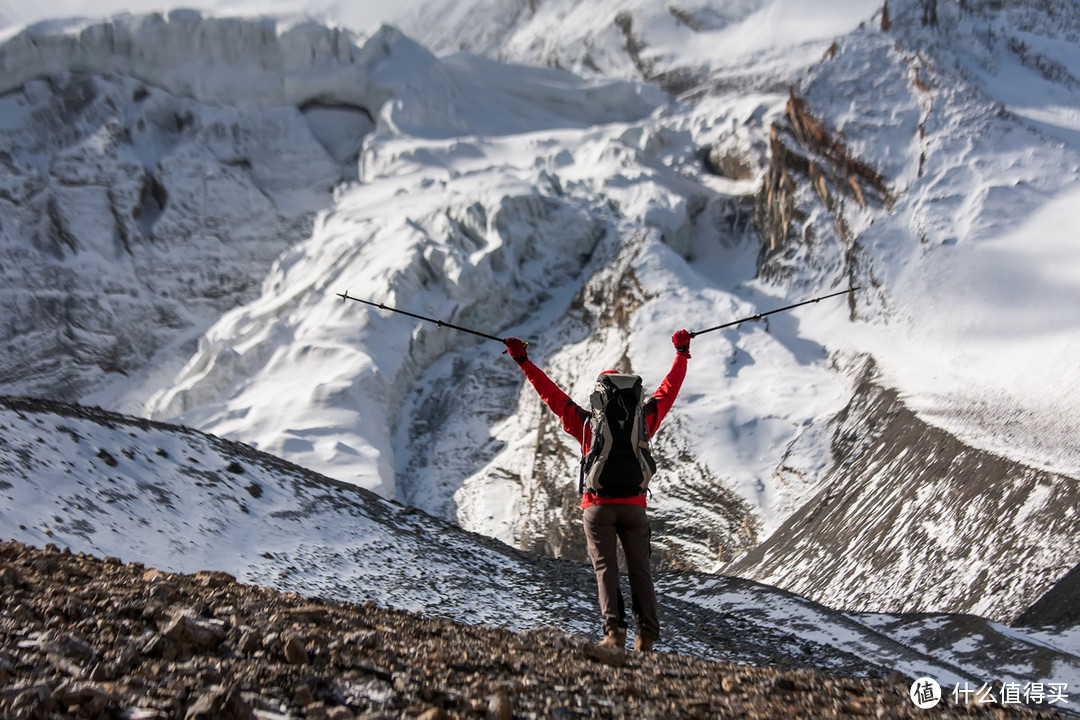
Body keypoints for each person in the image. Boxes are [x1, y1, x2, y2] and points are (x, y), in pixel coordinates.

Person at [503, 330, 692, 651]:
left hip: (598, 505)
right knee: (640, 571)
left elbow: (550, 394)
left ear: (600, 396)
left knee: (606, 568)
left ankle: (613, 633)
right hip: (634, 505)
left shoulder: (587, 423)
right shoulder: (644, 419)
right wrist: (681, 354)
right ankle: (645, 637)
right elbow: (668, 391)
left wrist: (523, 361)